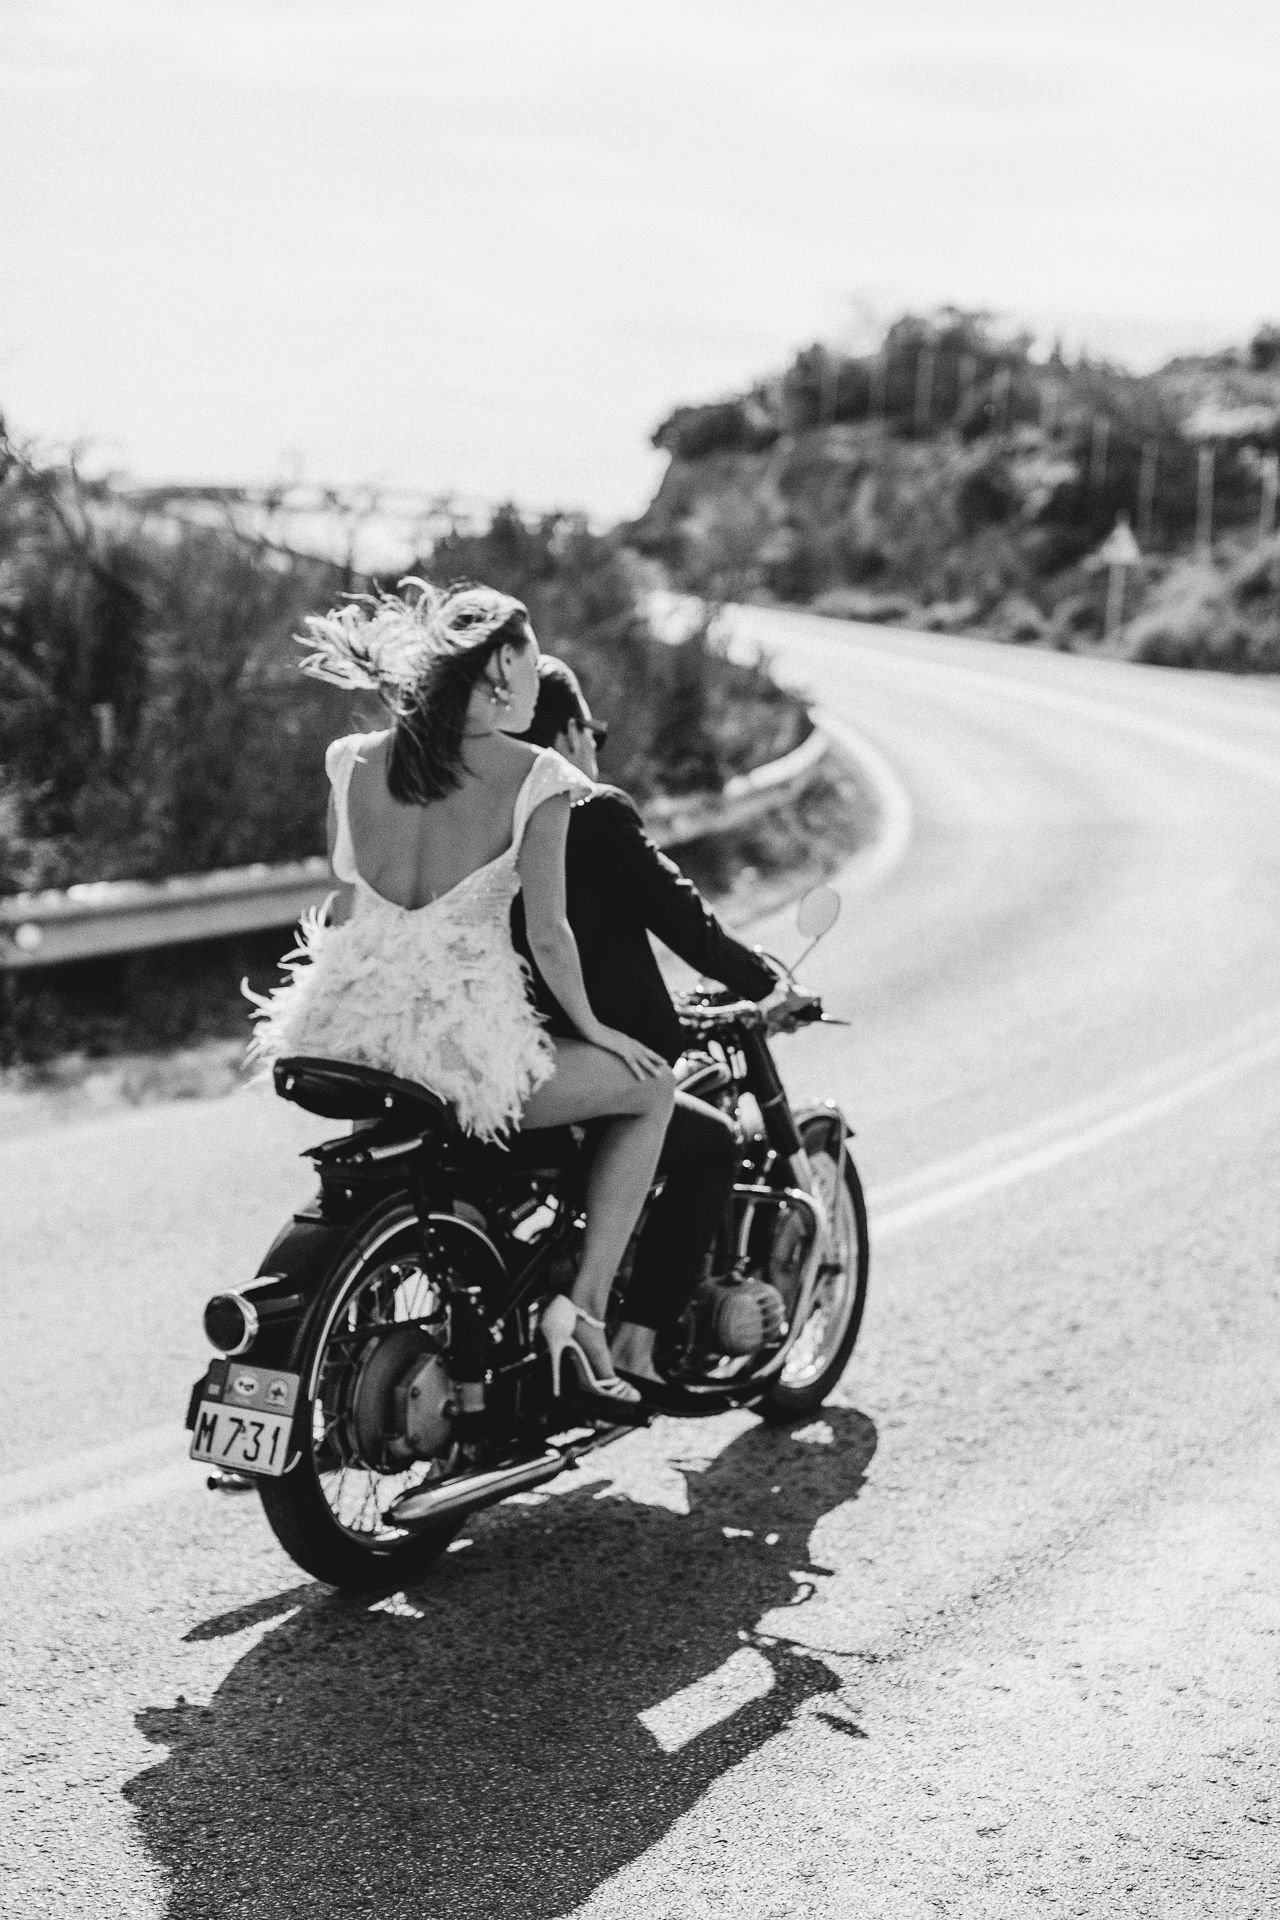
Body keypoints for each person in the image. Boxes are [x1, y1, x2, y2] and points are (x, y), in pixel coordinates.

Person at [248, 581, 676, 1413]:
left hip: (346, 1029)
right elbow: (549, 937)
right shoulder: (538, 775)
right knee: (651, 1089)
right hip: (458, 1049)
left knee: (388, 1168)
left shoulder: (354, 762)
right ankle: (583, 1313)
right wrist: (596, 1030)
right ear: (504, 665)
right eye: (528, 655)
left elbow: (344, 907)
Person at [512, 655, 801, 1388]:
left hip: (496, 1056)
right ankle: (637, 1343)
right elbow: (687, 924)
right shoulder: (591, 810)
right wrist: (769, 983)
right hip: (572, 1074)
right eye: (594, 734)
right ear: (574, 732)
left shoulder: (485, 813)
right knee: (713, 1143)